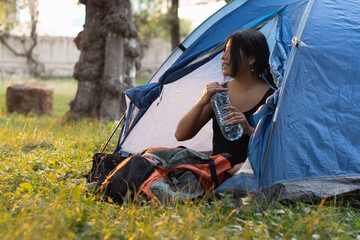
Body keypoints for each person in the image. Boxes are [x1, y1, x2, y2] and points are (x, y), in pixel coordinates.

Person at [175, 29, 275, 176]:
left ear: (251, 59)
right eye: (224, 51)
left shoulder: (272, 98)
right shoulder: (219, 94)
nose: (223, 56)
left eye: (230, 51)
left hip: (254, 174)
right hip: (217, 175)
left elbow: (277, 150)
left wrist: (249, 131)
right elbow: (181, 134)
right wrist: (202, 102)